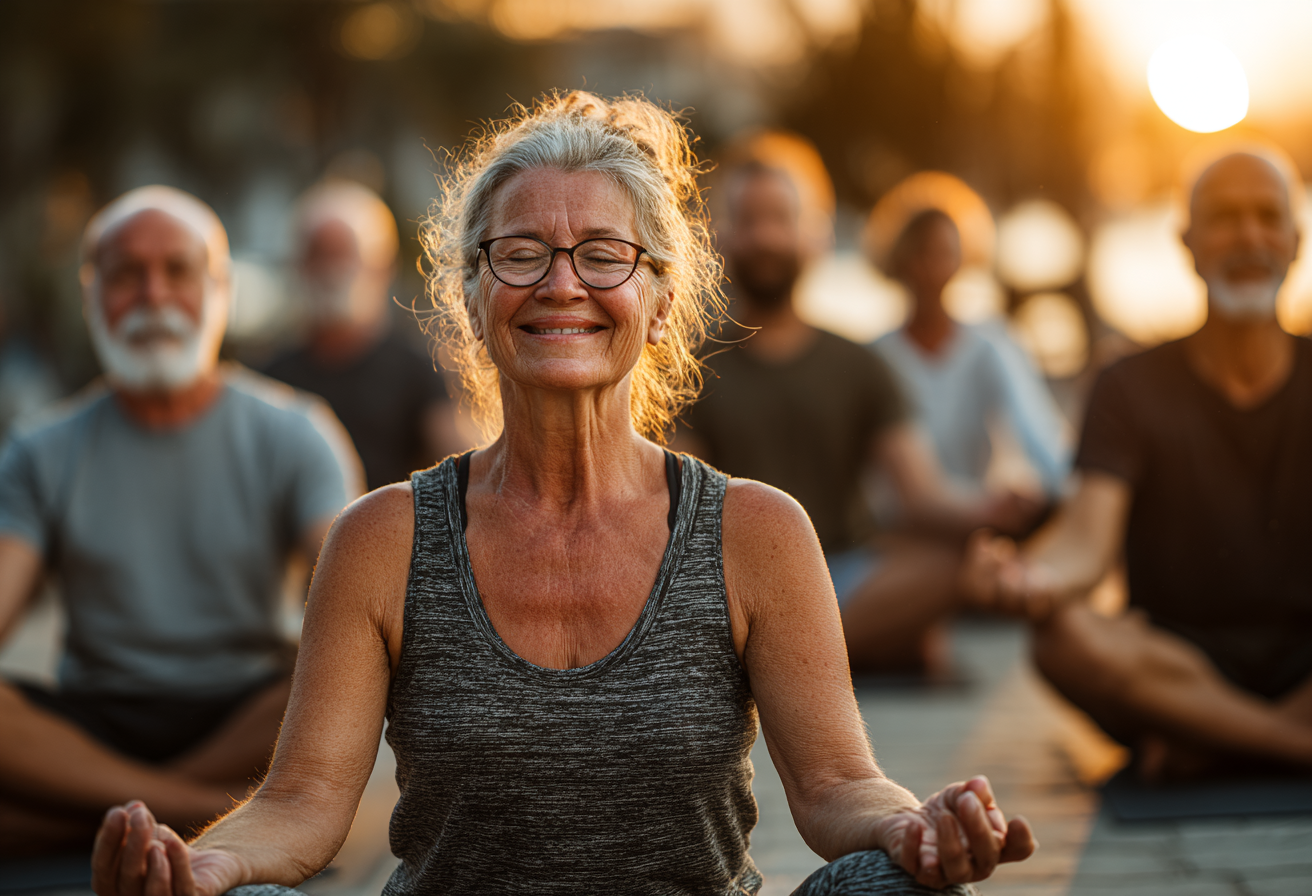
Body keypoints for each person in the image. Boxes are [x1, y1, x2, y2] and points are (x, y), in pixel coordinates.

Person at [89, 93, 1034, 896]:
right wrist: (204, 868)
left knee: (889, 882)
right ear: (470, 295)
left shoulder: (755, 529)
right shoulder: (382, 537)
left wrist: (916, 824)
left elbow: (835, 785)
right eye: (522, 253)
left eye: (602, 254)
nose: (562, 284)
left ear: (661, 299)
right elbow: (301, 807)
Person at [0, 186, 362, 854]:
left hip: (247, 712)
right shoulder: (39, 450)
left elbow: (356, 602)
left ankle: (99, 821)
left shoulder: (297, 432)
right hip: (93, 717)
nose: (153, 296)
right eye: (126, 275)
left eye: (177, 271)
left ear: (219, 289)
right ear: (91, 296)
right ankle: (198, 815)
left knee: (343, 674)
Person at [962, 149, 1312, 779]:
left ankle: (1209, 738)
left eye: (1267, 216)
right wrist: (1030, 579)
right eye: (1226, 218)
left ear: (1297, 238)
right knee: (1062, 638)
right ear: (1188, 243)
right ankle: (1288, 745)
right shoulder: (1128, 384)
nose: (1249, 236)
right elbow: (1085, 541)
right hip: (1172, 664)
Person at [680, 133, 1039, 674]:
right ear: (717, 236)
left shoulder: (860, 364)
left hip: (845, 574)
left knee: (956, 565)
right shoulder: (686, 369)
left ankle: (791, 655)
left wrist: (998, 512)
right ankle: (833, 651)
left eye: (780, 218)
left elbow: (922, 496)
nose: (766, 237)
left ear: (815, 233)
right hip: (734, 584)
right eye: (748, 220)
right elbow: (680, 516)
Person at [263, 181, 462, 491]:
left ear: (381, 266)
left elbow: (458, 472)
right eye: (317, 255)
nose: (329, 271)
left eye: (341, 254)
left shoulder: (418, 370)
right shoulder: (270, 380)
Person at [870, 207, 1069, 502]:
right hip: (900, 528)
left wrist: (1070, 491)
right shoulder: (877, 357)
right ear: (902, 262)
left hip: (971, 517)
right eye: (922, 254)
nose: (932, 268)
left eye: (945, 254)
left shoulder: (988, 346)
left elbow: (1037, 431)